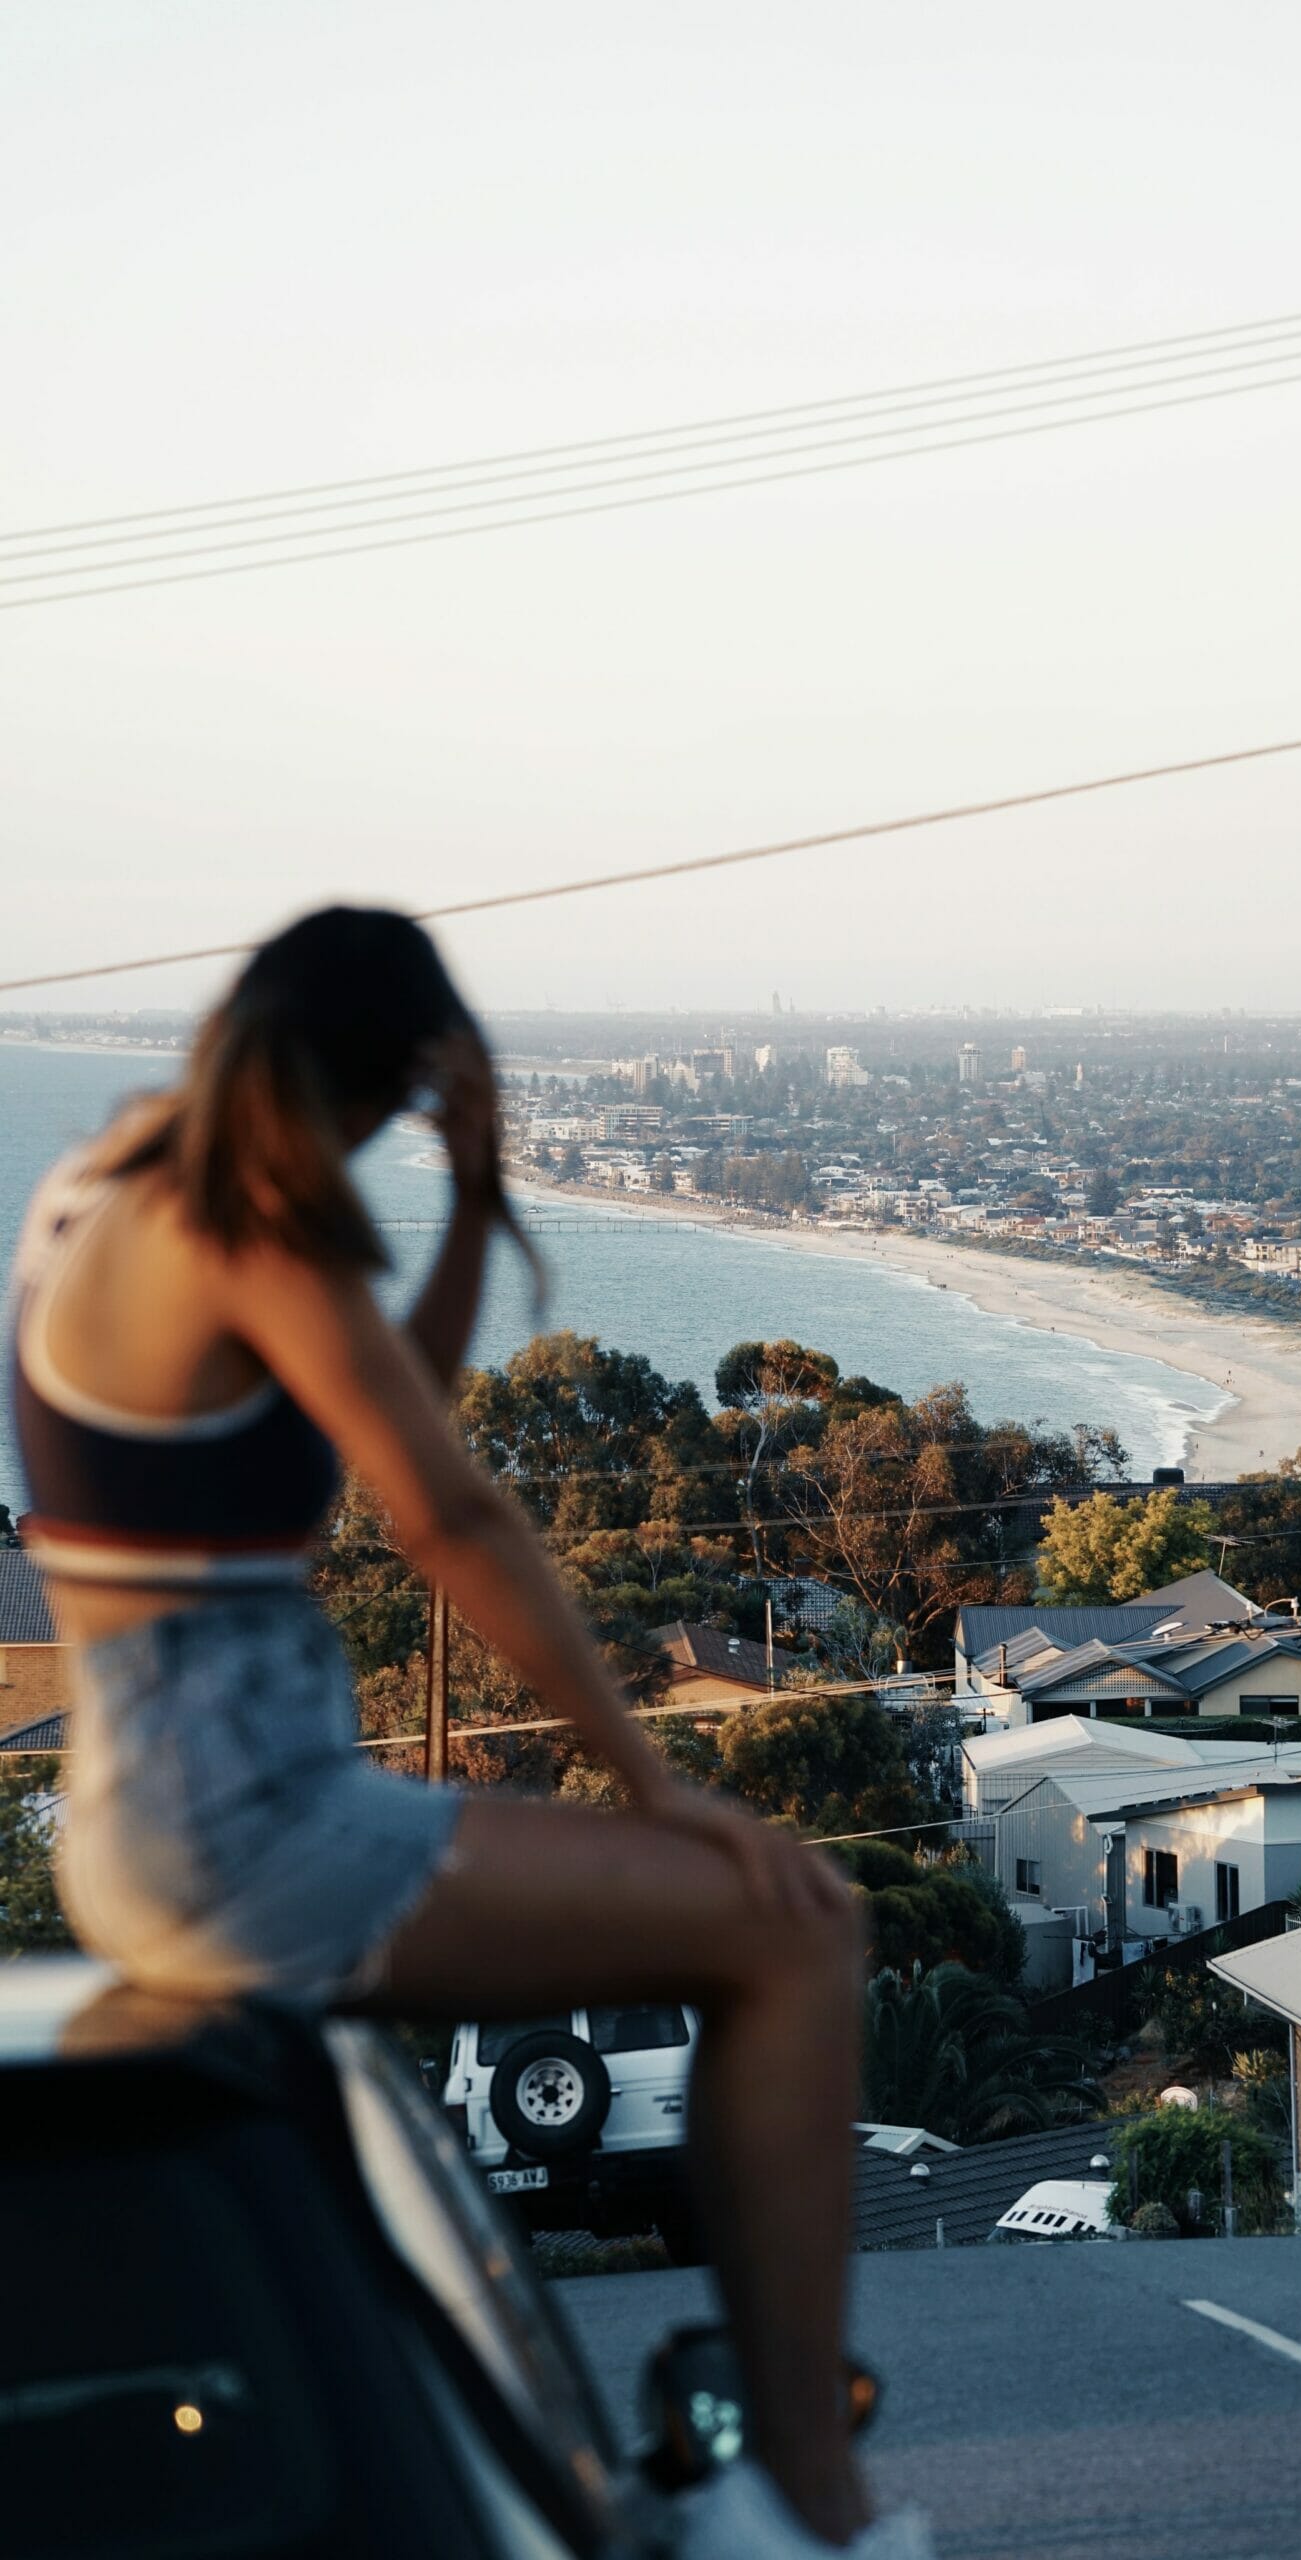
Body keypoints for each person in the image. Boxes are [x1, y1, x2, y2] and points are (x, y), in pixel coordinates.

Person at [7, 907, 930, 2560]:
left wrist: (479, 1202)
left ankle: (783, 2481)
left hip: (150, 1823)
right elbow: (452, 1510)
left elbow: (387, 1404)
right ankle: (803, 2500)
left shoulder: (104, 1187)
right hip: (251, 1830)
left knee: (775, 1923)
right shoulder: (242, 1229)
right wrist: (657, 1789)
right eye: (374, 1127)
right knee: (795, 1925)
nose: (362, 1157)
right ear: (366, 1088)